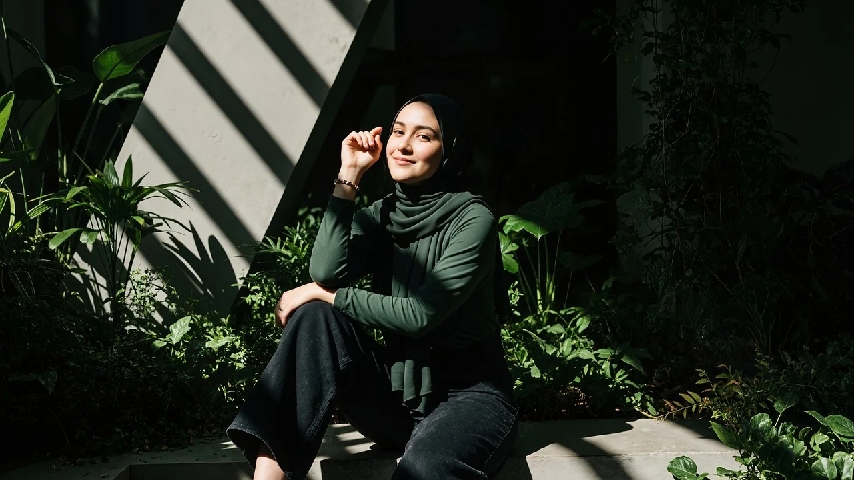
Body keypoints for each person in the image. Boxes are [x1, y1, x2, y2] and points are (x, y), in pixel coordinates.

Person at [227, 94, 518, 480]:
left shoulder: (473, 221)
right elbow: (326, 270)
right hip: (398, 399)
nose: (404, 146)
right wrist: (349, 177)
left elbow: (420, 315)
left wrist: (325, 294)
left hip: (470, 399)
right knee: (315, 317)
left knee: (425, 469)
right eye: (398, 132)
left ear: (450, 151)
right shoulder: (383, 214)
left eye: (424, 136)